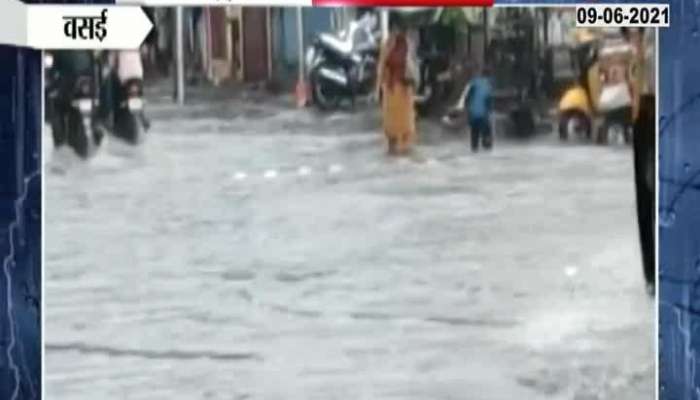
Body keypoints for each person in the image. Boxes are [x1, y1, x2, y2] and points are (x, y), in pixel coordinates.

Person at [376, 19, 418, 156]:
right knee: (391, 123)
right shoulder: (387, 45)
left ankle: (405, 147)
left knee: (406, 122)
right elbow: (381, 67)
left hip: (404, 89)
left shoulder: (408, 44)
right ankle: (393, 146)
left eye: (399, 29)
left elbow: (412, 65)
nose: (397, 32)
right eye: (394, 29)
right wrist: (378, 88)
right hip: (391, 88)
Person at [462, 64, 493, 152]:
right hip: (483, 115)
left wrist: (466, 109)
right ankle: (487, 155)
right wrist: (489, 112)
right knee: (487, 134)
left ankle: (474, 150)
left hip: (473, 114)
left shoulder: (474, 81)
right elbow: (488, 101)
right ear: (489, 75)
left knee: (474, 134)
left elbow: (467, 96)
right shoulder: (488, 85)